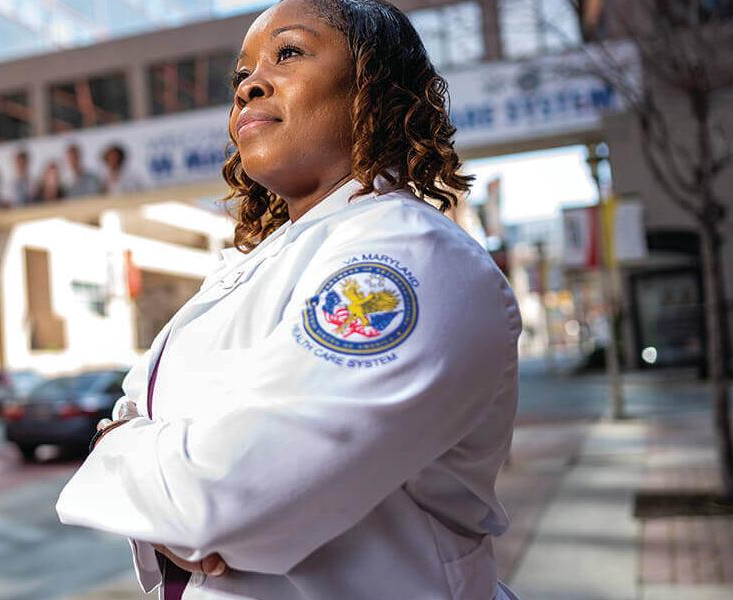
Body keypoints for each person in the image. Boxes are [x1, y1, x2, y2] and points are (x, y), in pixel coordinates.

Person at [55, 1, 522, 599]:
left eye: (289, 53)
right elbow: (133, 416)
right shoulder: (252, 268)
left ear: (370, 87)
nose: (249, 83)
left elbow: (224, 500)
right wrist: (138, 461)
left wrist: (120, 455)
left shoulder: (409, 257)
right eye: (241, 75)